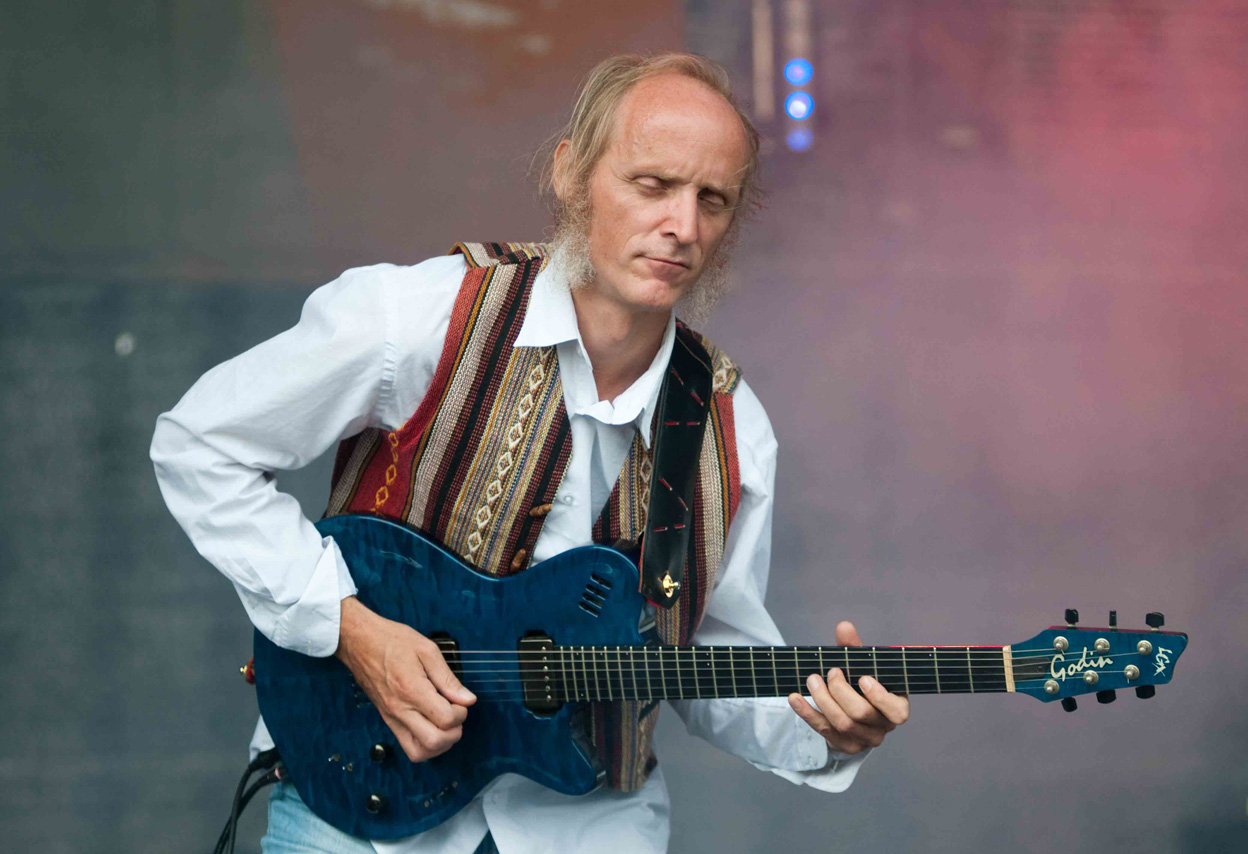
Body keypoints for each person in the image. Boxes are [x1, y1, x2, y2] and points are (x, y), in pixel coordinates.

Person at [151, 53, 909, 854]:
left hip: (590, 832)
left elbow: (706, 653)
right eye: (652, 185)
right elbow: (201, 444)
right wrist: (348, 628)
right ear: (572, 174)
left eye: (711, 199)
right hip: (352, 807)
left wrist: (826, 732)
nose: (683, 227)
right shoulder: (417, 319)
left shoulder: (729, 427)